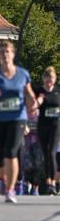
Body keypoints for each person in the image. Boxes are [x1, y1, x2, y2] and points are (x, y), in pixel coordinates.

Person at [0, 40, 37, 204]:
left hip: (18, 118)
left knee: (11, 151)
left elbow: (28, 93)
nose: (5, 54)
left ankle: (10, 189)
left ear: (13, 54)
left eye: (8, 51)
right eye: (2, 52)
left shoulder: (23, 74)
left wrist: (33, 103)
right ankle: (3, 180)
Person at [35, 66, 60, 195]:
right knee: (46, 155)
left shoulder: (58, 91)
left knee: (52, 153)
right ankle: (48, 180)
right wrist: (38, 101)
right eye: (47, 78)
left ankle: (53, 184)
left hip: (55, 126)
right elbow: (33, 105)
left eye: (52, 78)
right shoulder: (39, 90)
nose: (49, 81)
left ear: (55, 79)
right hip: (43, 125)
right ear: (44, 78)